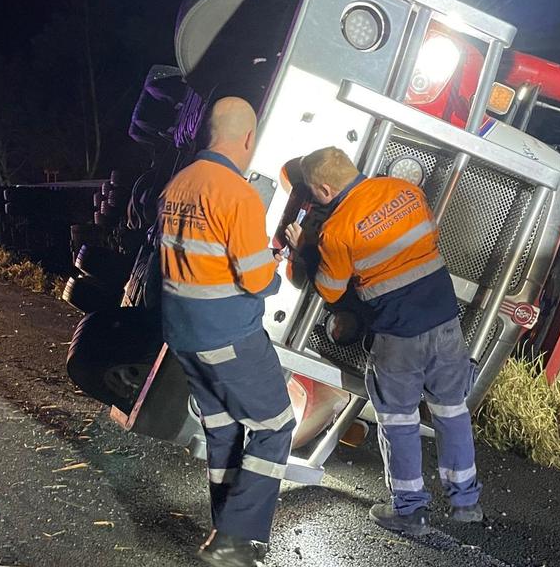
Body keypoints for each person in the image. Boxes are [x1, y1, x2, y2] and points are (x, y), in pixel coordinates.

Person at [287, 146, 482, 534]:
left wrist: (304, 250)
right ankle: (467, 504)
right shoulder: (404, 191)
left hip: (399, 334)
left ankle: (410, 510)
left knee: (399, 421)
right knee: (452, 411)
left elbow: (329, 290)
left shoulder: (336, 229)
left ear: (324, 191)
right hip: (445, 320)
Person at [159, 97, 292, 567]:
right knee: (275, 425)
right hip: (228, 335)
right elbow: (256, 280)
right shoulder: (238, 194)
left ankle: (223, 531)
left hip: (183, 334)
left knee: (225, 429)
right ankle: (232, 541)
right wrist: (277, 268)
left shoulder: (178, 184)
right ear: (249, 138)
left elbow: (203, 260)